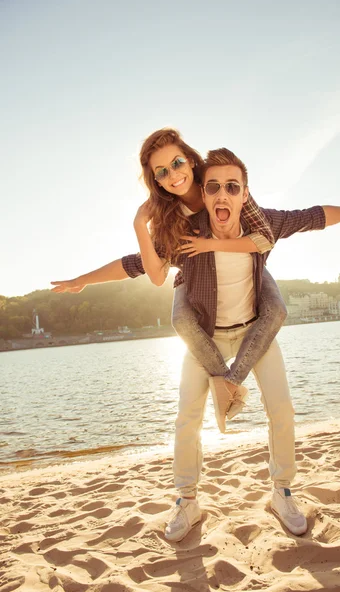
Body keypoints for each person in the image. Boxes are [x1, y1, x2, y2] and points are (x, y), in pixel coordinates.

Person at [52, 142, 340, 540]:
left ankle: (282, 492)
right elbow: (134, 266)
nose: (222, 196)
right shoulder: (186, 236)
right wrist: (82, 280)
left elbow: (315, 216)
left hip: (253, 330)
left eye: (233, 188)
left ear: (244, 194)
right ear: (204, 191)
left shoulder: (263, 223)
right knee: (187, 420)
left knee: (281, 409)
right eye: (214, 188)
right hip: (205, 338)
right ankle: (187, 501)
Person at [52, 128, 289, 431]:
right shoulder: (171, 218)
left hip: (248, 268)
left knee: (277, 309)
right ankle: (226, 383)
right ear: (157, 181)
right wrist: (136, 226)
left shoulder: (220, 182)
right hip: (197, 280)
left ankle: (230, 382)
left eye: (177, 163)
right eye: (162, 172)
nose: (173, 175)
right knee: (181, 319)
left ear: (190, 159)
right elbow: (145, 268)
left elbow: (266, 232)